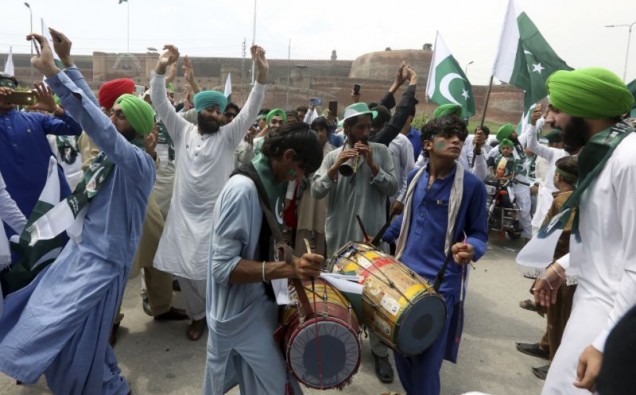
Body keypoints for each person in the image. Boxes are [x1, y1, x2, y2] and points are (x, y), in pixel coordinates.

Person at [0, 29, 155, 394]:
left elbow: (97, 125)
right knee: (61, 328)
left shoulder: (136, 163)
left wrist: (54, 73)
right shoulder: (111, 159)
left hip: (102, 266)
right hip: (79, 254)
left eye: (120, 114)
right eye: (112, 111)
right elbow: (95, 112)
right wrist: (68, 61)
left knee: (76, 340)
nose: (110, 116)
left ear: (138, 126)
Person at [151, 44, 268, 341]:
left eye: (219, 110)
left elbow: (251, 109)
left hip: (216, 218)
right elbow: (161, 104)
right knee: (185, 274)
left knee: (211, 273)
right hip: (182, 217)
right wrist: (161, 69)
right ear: (199, 112)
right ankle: (198, 316)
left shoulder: (229, 136)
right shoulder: (182, 132)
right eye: (211, 109)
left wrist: (261, 75)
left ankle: (216, 317)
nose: (216, 114)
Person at [531, 67, 636, 394]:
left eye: (556, 109)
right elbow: (607, 241)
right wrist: (561, 267)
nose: (548, 119)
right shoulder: (606, 154)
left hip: (612, 321)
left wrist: (606, 344)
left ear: (585, 111)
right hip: (591, 312)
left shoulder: (630, 158)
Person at [204, 121, 323, 394]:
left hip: (258, 309)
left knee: (258, 384)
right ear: (288, 155)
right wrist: (289, 270)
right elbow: (223, 268)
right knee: (279, 387)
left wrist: (297, 261)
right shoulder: (242, 190)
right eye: (301, 169)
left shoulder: (270, 184)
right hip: (238, 316)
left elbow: (270, 245)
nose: (299, 178)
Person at [382, 113, 488, 395]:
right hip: (403, 278)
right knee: (402, 353)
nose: (456, 141)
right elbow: (407, 221)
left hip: (441, 286)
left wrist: (470, 248)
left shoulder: (472, 186)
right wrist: (381, 237)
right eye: (448, 136)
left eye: (460, 138)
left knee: (427, 364)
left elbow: (480, 234)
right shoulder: (415, 176)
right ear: (427, 144)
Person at [311, 102, 398, 383]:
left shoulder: (382, 152)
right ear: (347, 128)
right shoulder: (332, 155)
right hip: (339, 239)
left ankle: (380, 353)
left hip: (370, 239)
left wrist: (373, 165)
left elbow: (393, 188)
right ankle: (341, 346)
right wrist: (336, 166)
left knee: (375, 296)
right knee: (340, 296)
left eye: (368, 126)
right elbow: (316, 190)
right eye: (360, 126)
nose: (366, 131)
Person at [516, 155, 578, 380]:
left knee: (559, 315)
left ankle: (556, 363)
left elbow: (565, 236)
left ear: (559, 176)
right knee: (556, 314)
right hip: (559, 264)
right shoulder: (566, 198)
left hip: (562, 268)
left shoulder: (567, 201)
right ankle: (545, 345)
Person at [0, 71, 82, 238]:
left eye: (12, 92)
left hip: (48, 200)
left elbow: (77, 129)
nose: (7, 96)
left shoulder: (37, 119)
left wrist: (55, 108)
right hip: (10, 206)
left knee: (57, 251)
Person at [294, 117, 334, 256]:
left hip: (325, 194)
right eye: (316, 130)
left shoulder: (333, 152)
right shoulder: (306, 150)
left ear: (327, 132)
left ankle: (320, 264)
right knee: (304, 226)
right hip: (308, 191)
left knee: (322, 230)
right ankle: (300, 261)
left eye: (322, 130)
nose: (319, 133)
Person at [490, 123, 533, 239]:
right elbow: (488, 160)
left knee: (524, 211)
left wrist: (537, 120)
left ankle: (528, 236)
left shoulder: (519, 143)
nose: (516, 133)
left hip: (522, 184)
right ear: (508, 135)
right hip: (506, 184)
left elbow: (530, 130)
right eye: (513, 132)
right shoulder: (496, 150)